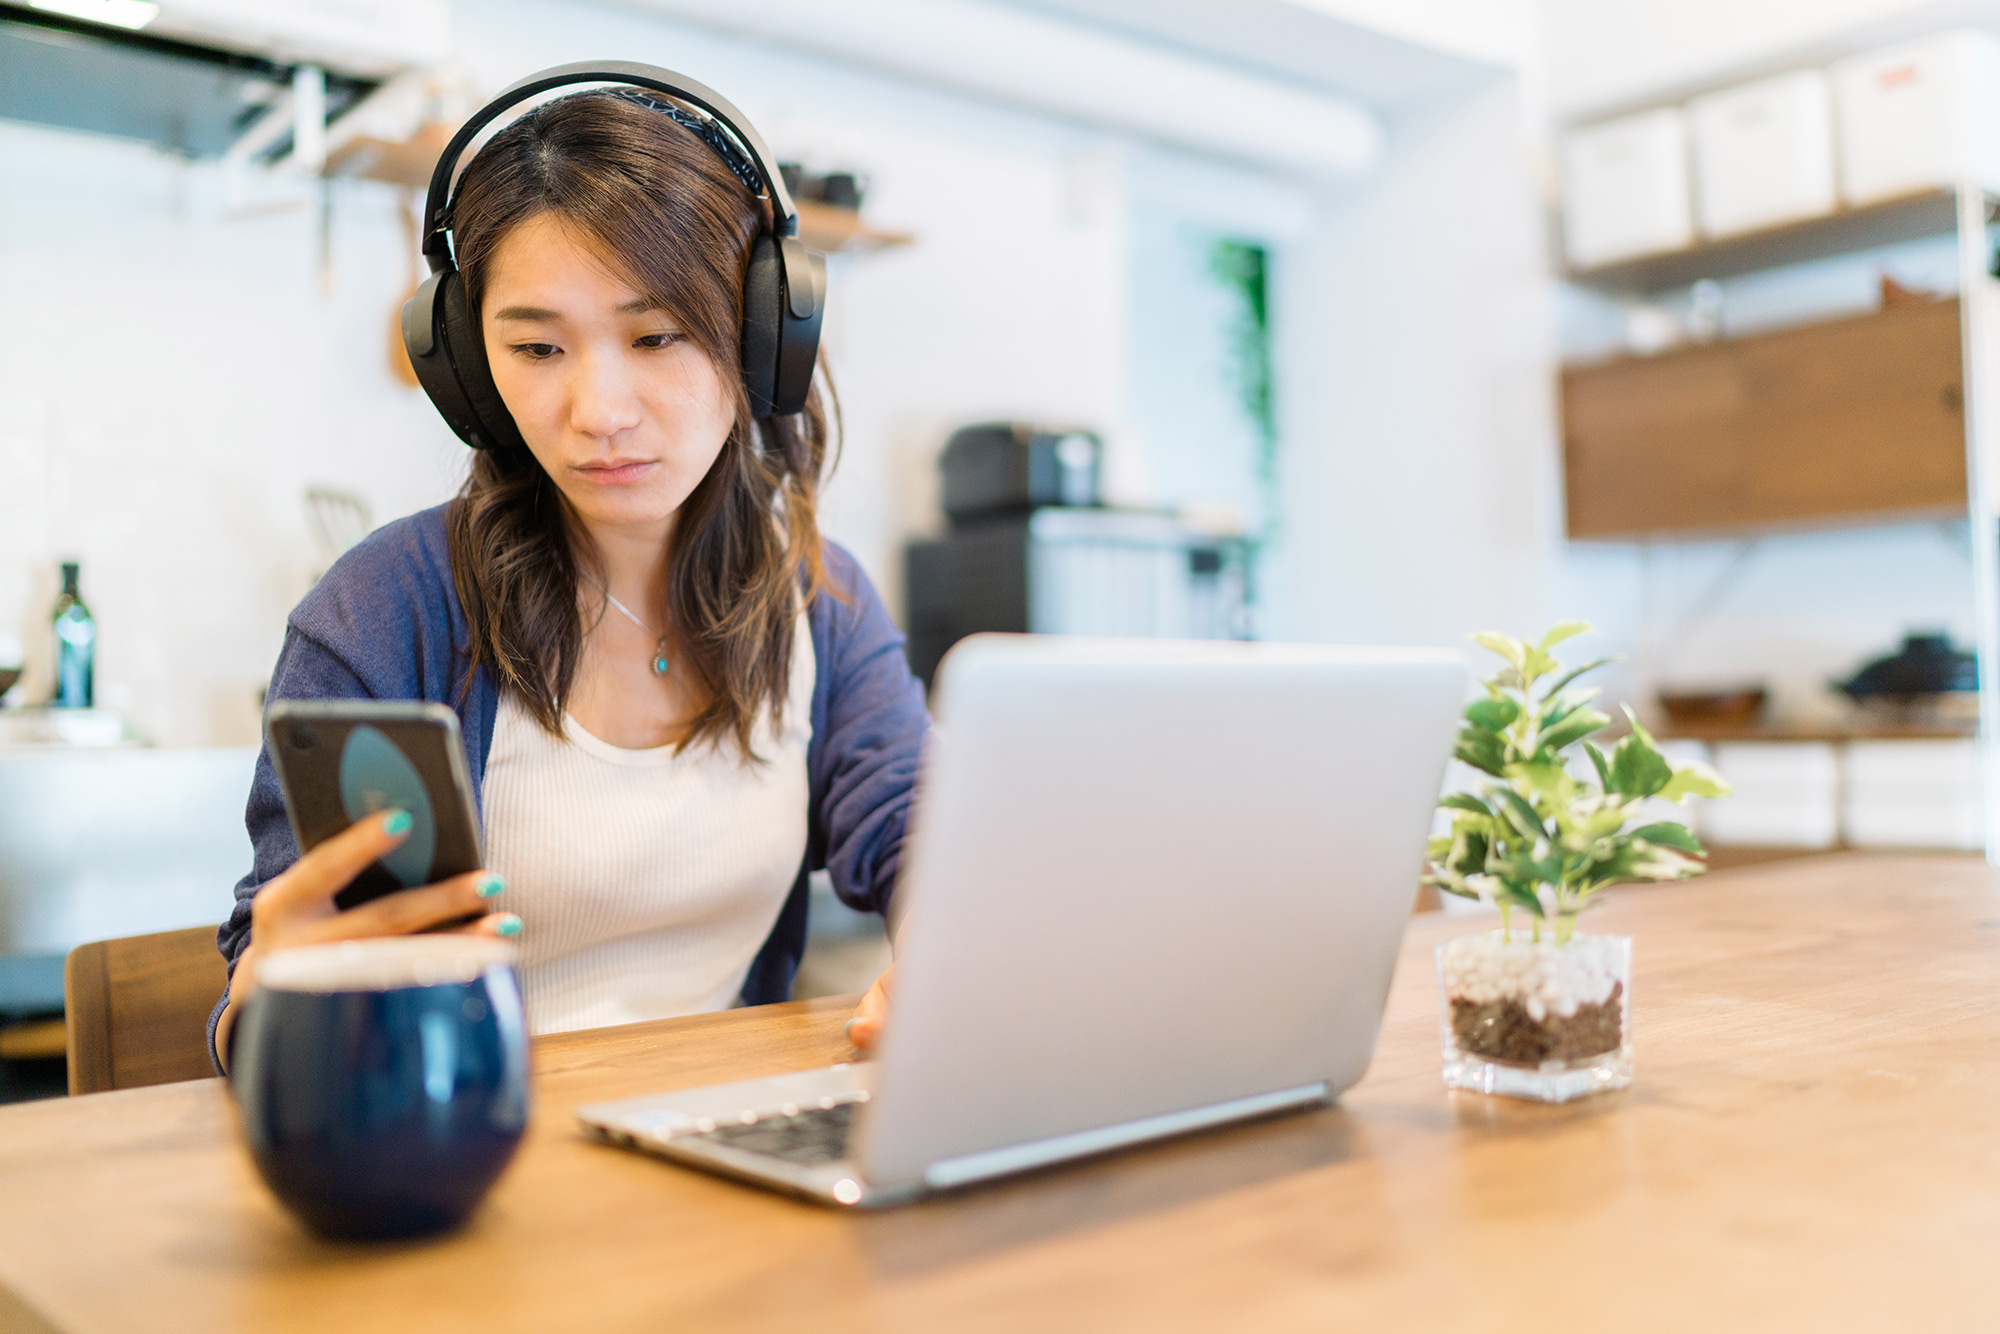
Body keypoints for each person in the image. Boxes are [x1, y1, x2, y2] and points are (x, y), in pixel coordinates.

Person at [208, 84, 923, 1069]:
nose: (600, 409)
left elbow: (914, 826)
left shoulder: (816, 598)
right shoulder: (384, 608)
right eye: (537, 347)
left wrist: (945, 946)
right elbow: (274, 982)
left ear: (763, 333)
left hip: (726, 1146)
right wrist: (266, 998)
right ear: (466, 365)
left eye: (657, 335)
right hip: (468, 1150)